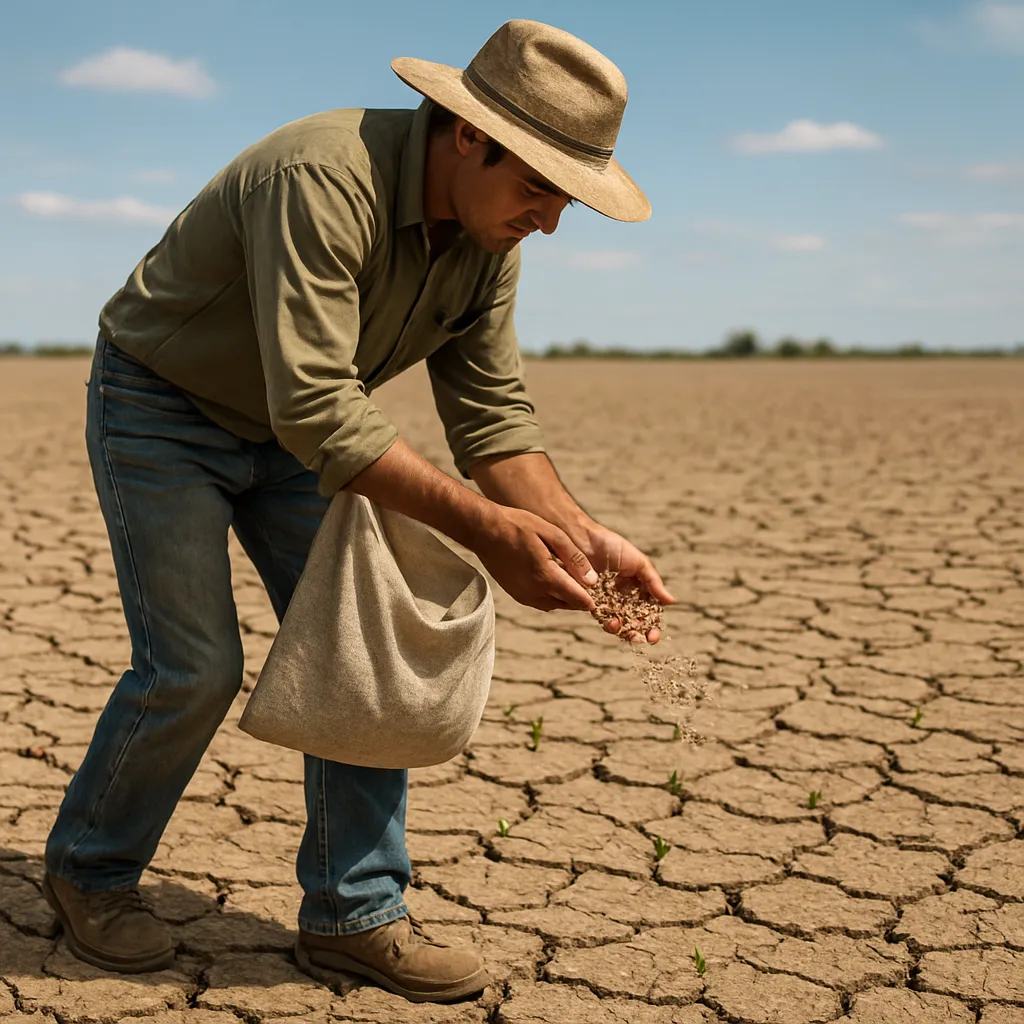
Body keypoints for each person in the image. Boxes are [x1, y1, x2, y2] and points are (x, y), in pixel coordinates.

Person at [42, 18, 673, 1004]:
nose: (549, 220)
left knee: (364, 653)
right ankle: (90, 871)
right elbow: (319, 407)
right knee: (194, 666)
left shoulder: (485, 239)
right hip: (165, 409)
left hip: (303, 438)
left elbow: (494, 418)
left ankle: (354, 915)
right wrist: (488, 532)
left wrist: (577, 535)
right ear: (469, 137)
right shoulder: (320, 178)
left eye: (567, 197)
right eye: (540, 186)